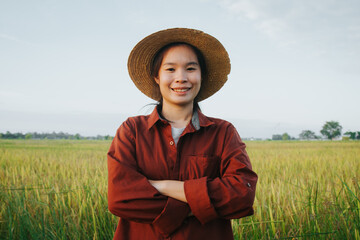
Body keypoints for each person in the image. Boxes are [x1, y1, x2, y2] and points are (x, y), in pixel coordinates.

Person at [107, 28, 258, 240]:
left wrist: (163, 186)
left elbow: (242, 195)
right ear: (156, 77)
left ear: (201, 76)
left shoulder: (223, 133)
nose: (181, 78)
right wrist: (200, 203)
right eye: (170, 69)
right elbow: (121, 198)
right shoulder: (132, 131)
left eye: (190, 68)